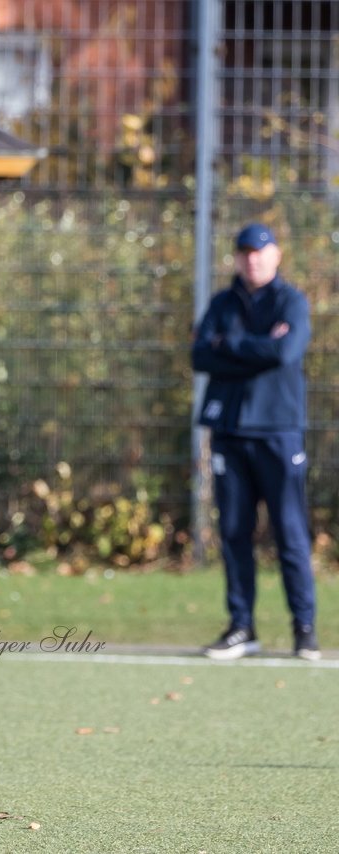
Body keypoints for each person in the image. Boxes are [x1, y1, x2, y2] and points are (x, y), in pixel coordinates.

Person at [192, 222, 319, 661]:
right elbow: (200, 355)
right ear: (237, 257)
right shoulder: (222, 303)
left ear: (276, 255)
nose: (252, 259)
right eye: (245, 252)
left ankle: (304, 629)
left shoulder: (292, 302)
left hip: (279, 433)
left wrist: (232, 346)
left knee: (289, 532)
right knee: (233, 532)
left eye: (260, 251)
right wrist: (256, 346)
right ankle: (241, 627)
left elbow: (286, 353)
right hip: (229, 431)